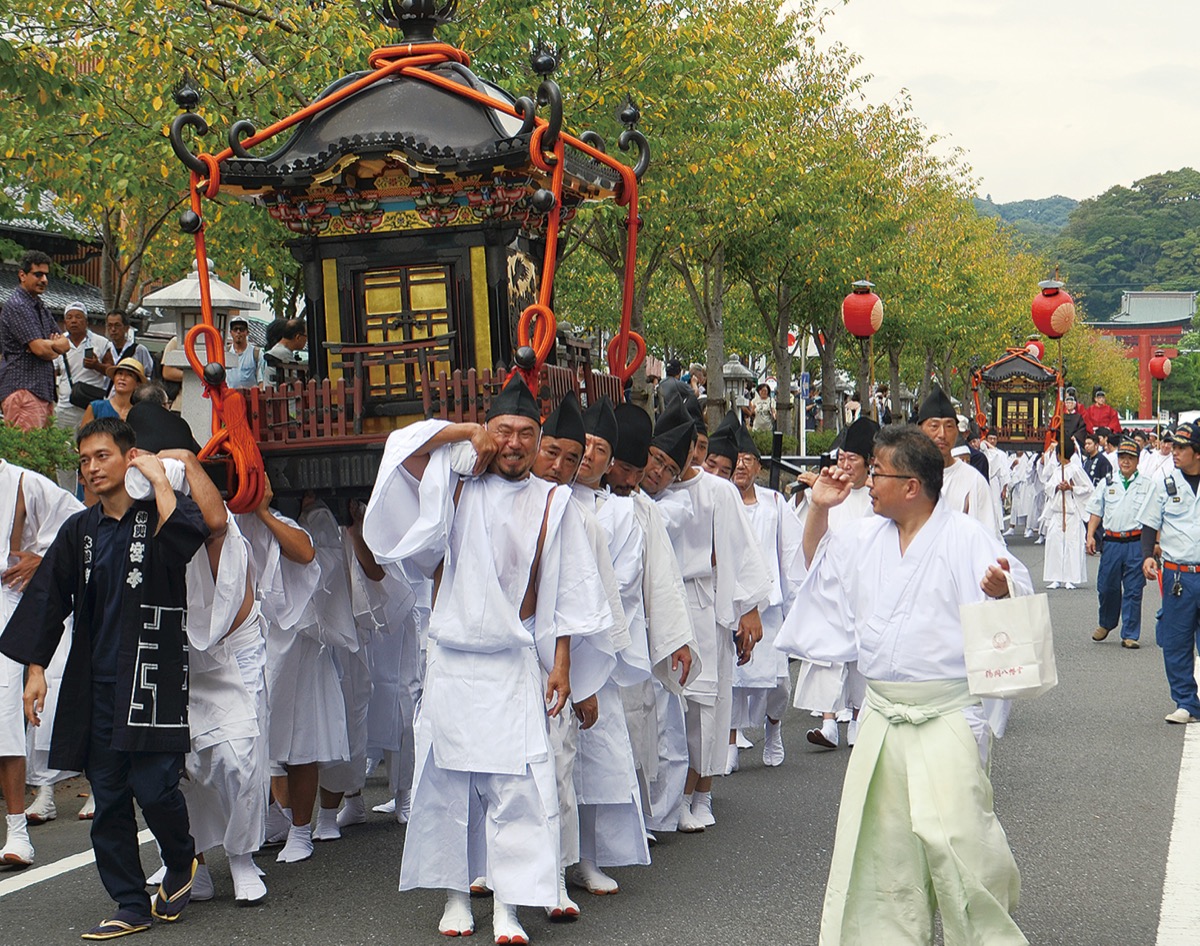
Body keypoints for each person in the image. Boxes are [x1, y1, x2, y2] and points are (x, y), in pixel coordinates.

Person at [362, 374, 614, 943]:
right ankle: (456, 895)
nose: (515, 442)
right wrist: (463, 433)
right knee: (449, 782)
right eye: (504, 430)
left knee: (516, 787)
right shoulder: (455, 486)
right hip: (452, 660)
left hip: (512, 661)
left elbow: (569, 586)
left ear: (539, 437)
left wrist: (563, 663)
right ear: (489, 432)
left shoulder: (554, 500)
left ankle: (508, 906)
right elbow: (400, 449)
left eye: (527, 433)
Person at [775, 424, 1032, 945]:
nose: (868, 482)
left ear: (912, 485)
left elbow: (1014, 597)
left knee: (962, 842)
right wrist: (820, 509)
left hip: (948, 714)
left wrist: (1003, 591)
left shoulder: (965, 537)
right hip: (882, 715)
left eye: (878, 472)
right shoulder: (861, 537)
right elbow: (813, 574)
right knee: (883, 847)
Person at [0, 417, 208, 938]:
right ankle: (130, 903)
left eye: (102, 456)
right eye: (85, 460)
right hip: (98, 682)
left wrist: (159, 476)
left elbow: (188, 536)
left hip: (153, 675)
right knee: (109, 800)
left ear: (129, 456)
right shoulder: (80, 532)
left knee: (157, 788)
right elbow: (47, 600)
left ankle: (182, 857)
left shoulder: (153, 516)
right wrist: (36, 670)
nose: (92, 468)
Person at [641, 400, 770, 832]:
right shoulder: (649, 493)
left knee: (707, 706)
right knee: (668, 707)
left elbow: (742, 549)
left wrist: (748, 609)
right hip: (660, 603)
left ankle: (703, 792)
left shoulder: (718, 492)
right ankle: (671, 793)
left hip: (704, 601)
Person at [0, 456, 83, 864]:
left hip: (15, 605)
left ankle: (19, 829)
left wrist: (42, 561)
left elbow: (82, 525)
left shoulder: (21, 482)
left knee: (12, 720)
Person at [790, 419, 878, 751]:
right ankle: (828, 721)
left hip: (866, 587)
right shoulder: (830, 490)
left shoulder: (876, 496)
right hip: (832, 583)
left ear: (868, 462)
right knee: (825, 653)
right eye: (841, 457)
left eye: (852, 459)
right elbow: (811, 539)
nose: (844, 465)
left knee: (860, 658)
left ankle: (857, 717)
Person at [729, 424, 802, 769]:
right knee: (732, 680)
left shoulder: (774, 502)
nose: (741, 466)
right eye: (736, 460)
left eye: (748, 460)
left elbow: (790, 553)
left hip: (768, 605)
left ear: (758, 466)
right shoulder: (721, 500)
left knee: (777, 682)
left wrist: (795, 603)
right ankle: (729, 739)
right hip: (731, 603)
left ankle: (773, 729)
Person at [1138, 422, 1200, 724]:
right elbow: (1150, 522)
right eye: (1172, 447)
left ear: (1197, 453)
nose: (1173, 452)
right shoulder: (1165, 483)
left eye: (1180, 448)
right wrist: (1148, 555)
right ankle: (1186, 702)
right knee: (1176, 641)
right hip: (1179, 576)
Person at [1086, 437, 1151, 649]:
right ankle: (1106, 623)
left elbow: (1155, 517)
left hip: (1136, 542)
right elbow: (1096, 510)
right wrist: (1090, 535)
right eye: (1122, 457)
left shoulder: (1148, 485)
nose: (1125, 461)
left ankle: (1130, 633)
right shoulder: (1107, 482)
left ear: (1137, 460)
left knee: (1133, 589)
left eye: (1130, 458)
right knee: (1106, 587)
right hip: (1112, 543)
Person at [916, 387, 1000, 538]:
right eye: (934, 426)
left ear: (957, 432)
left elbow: (988, 537)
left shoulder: (974, 481)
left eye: (949, 426)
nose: (942, 434)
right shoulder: (907, 477)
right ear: (920, 430)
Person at [0, 250, 70, 430]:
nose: (44, 280)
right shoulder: (18, 305)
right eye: (38, 274)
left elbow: (65, 343)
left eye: (46, 275)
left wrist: (50, 345)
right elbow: (40, 349)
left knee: (41, 453)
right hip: (23, 389)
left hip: (41, 390)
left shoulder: (40, 305)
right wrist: (47, 346)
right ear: (22, 275)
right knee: (25, 455)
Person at [54, 301, 115, 433]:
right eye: (69, 318)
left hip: (92, 406)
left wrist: (96, 365)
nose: (74, 321)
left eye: (78, 317)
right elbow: (52, 373)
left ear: (86, 322)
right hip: (65, 406)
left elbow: (112, 372)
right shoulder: (58, 343)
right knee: (65, 448)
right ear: (65, 324)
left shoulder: (101, 342)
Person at [1039, 440, 1092, 590]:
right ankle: (1055, 577)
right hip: (1057, 512)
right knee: (1055, 544)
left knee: (1072, 544)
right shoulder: (1057, 470)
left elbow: (1088, 488)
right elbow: (1047, 487)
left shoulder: (1075, 470)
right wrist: (1057, 487)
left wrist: (1071, 487)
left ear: (1060, 454)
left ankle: (1070, 578)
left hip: (1071, 512)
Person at [80, 357, 146, 427]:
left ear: (137, 384)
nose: (122, 378)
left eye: (129, 375)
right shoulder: (96, 407)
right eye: (120, 373)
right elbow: (84, 436)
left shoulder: (139, 414)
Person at [103, 312, 154, 390]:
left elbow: (149, 374)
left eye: (117, 325)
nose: (113, 329)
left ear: (126, 328)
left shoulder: (139, 350)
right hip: (108, 395)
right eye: (110, 325)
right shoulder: (104, 348)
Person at [264, 318, 308, 385]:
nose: (306, 340)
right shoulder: (282, 353)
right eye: (306, 336)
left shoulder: (278, 349)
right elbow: (299, 382)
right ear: (298, 337)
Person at [224, 317, 264, 389]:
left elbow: (261, 381)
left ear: (247, 332)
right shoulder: (225, 353)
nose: (238, 332)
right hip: (229, 396)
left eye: (241, 329)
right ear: (231, 333)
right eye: (235, 329)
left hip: (250, 397)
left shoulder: (256, 353)